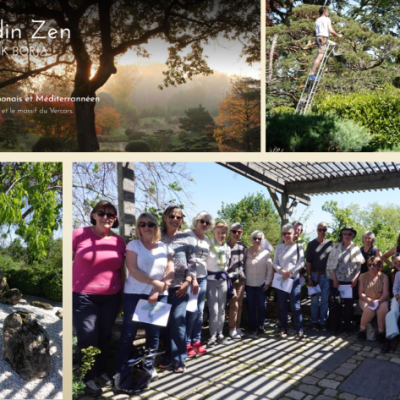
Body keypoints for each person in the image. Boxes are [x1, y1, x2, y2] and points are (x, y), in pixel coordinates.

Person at [114, 213, 174, 388]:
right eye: (142, 224)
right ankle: (120, 370)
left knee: (153, 335)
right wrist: (155, 283)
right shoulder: (134, 245)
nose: (146, 227)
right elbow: (132, 270)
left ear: (156, 226)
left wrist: (157, 289)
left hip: (159, 295)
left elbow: (170, 272)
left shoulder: (165, 247)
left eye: (150, 224)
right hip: (135, 295)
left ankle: (148, 368)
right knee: (128, 334)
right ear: (138, 228)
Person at [73, 201, 126, 396]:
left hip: (111, 297)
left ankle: (101, 371)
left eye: (111, 215)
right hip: (83, 296)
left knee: (104, 337)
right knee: (88, 337)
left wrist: (122, 298)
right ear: (94, 215)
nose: (107, 217)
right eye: (102, 213)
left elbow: (122, 272)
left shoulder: (119, 241)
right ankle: (87, 377)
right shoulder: (79, 234)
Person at [159, 205, 197, 373]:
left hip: (181, 287)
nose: (175, 219)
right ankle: (168, 355)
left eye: (179, 217)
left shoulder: (187, 238)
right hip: (161, 287)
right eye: (172, 216)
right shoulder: (156, 236)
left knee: (178, 321)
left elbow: (192, 263)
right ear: (165, 217)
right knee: (164, 324)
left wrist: (188, 281)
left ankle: (180, 359)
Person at [185, 212, 214, 357]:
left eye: (207, 223)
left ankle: (197, 340)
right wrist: (192, 278)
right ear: (196, 221)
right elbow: (183, 258)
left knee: (200, 311)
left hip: (203, 277)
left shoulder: (207, 240)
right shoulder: (187, 234)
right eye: (202, 221)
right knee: (191, 311)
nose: (204, 224)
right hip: (190, 278)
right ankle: (186, 342)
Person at [326, 226, 365, 334]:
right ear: (342, 235)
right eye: (345, 234)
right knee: (335, 304)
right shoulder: (336, 247)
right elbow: (330, 264)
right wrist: (334, 279)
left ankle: (347, 326)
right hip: (336, 281)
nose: (347, 236)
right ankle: (335, 326)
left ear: (352, 236)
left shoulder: (355, 248)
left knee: (349, 305)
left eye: (349, 234)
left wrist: (355, 279)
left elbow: (358, 266)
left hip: (350, 282)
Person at [273, 224, 305, 339]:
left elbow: (301, 262)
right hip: (281, 279)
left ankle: (299, 329)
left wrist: (290, 272)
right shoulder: (279, 247)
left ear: (293, 234)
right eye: (284, 233)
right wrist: (281, 271)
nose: (286, 235)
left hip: (293, 279)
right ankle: (283, 327)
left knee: (295, 305)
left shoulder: (298, 246)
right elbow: (275, 262)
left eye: (288, 233)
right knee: (282, 305)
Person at [206, 221, 232, 347]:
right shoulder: (208, 245)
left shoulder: (227, 248)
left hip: (223, 280)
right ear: (214, 232)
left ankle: (220, 333)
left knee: (222, 309)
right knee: (214, 310)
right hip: (211, 280)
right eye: (218, 232)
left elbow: (227, 265)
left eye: (223, 233)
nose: (221, 235)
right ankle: (212, 335)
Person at [306, 222, 334, 331]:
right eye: (320, 229)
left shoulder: (331, 244)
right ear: (316, 231)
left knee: (325, 300)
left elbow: (333, 261)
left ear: (326, 231)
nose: (322, 232)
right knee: (314, 301)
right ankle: (314, 321)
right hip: (314, 275)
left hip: (326, 276)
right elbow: (308, 262)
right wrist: (309, 278)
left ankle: (323, 321)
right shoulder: (311, 244)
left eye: (324, 229)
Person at [245, 230, 273, 338]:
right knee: (251, 305)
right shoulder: (246, 252)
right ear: (251, 239)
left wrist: (268, 282)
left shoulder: (266, 253)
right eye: (255, 238)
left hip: (262, 284)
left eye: (259, 239)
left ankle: (261, 325)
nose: (257, 240)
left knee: (262, 305)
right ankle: (252, 325)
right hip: (249, 284)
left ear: (262, 240)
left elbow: (269, 269)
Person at [357, 256, 389, 342]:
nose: (372, 267)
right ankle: (362, 330)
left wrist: (380, 301)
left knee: (382, 309)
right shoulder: (362, 276)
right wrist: (368, 300)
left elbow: (386, 293)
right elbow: (360, 293)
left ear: (378, 266)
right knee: (369, 310)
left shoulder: (384, 277)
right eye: (369, 265)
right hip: (365, 299)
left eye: (374, 265)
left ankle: (380, 332)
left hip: (380, 299)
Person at [309, 6, 343, 80]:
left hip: (321, 38)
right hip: (322, 39)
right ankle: (312, 74)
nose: (328, 13)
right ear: (324, 12)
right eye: (327, 12)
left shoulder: (317, 20)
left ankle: (339, 60)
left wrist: (333, 35)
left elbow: (323, 32)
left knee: (335, 45)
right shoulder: (327, 19)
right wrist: (338, 35)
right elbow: (330, 30)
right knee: (320, 56)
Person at [227, 222, 247, 340]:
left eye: (239, 232)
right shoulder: (225, 245)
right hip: (229, 278)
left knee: (240, 304)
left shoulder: (243, 247)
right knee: (233, 303)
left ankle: (237, 326)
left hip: (241, 278)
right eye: (234, 231)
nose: (236, 234)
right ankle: (231, 328)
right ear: (230, 232)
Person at [382, 253, 400, 353]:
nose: (398, 264)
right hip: (398, 297)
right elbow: (395, 289)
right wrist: (398, 298)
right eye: (395, 263)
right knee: (392, 313)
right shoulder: (397, 274)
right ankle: (388, 338)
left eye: (399, 261)